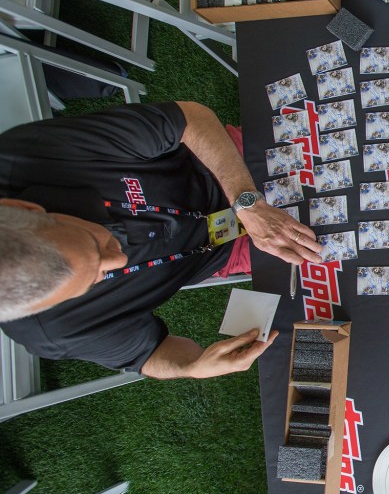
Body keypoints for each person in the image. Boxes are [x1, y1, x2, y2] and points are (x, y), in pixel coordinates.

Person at [0, 101, 323, 379]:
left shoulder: (29, 156)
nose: (119, 259)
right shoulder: (51, 331)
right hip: (225, 249)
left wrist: (246, 202)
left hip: (225, 167)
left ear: (25, 207)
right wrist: (191, 367)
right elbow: (150, 355)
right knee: (332, 255)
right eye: (93, 280)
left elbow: (190, 118)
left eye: (94, 241)